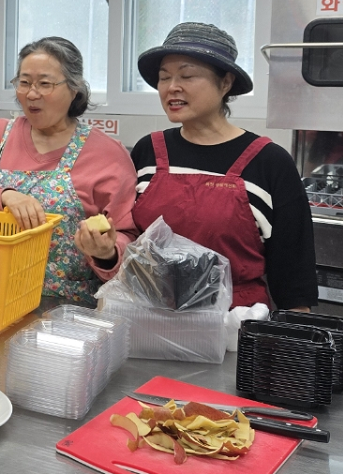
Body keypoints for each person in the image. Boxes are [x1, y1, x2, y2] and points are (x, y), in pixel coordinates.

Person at [131, 22, 317, 311]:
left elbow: (293, 275)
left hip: (232, 322)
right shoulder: (148, 152)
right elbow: (129, 239)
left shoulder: (269, 162)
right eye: (164, 77)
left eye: (187, 75)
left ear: (226, 83)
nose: (172, 87)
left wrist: (296, 330)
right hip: (149, 314)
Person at [0, 37, 137, 306]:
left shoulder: (107, 154)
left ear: (74, 89)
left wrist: (106, 252)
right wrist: (4, 196)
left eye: (45, 84)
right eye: (24, 82)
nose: (31, 94)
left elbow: (127, 235)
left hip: (65, 307)